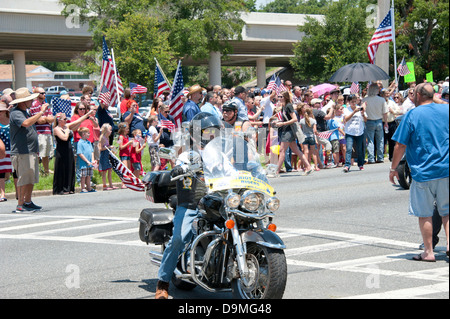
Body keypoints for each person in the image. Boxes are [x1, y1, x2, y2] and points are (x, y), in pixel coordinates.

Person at [155, 112, 223, 299]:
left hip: (218, 202)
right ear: (196, 133)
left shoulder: (221, 154)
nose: (212, 136)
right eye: (208, 131)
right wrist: (181, 167)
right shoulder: (188, 154)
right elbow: (181, 165)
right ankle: (163, 283)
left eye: (215, 132)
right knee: (180, 237)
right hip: (192, 203)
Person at [389, 82, 449, 262]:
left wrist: (393, 168)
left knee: (425, 214)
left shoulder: (412, 115)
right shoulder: (446, 111)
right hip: (446, 169)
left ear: (418, 96)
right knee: (447, 212)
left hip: (423, 172)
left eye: (413, 94)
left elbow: (400, 145)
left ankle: (429, 252)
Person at [9, 88, 47, 212]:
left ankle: (28, 201)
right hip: (22, 151)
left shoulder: (25, 112)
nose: (32, 101)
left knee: (31, 177)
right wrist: (41, 113)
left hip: (30, 150)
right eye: (29, 99)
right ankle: (20, 205)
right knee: (23, 178)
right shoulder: (16, 113)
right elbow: (25, 123)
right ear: (22, 102)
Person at [53, 110, 94, 195]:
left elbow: (78, 121)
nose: (66, 120)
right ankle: (61, 188)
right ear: (59, 120)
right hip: (61, 152)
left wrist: (87, 114)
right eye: (64, 119)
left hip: (69, 150)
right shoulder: (56, 129)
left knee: (70, 168)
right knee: (62, 169)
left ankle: (69, 187)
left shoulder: (66, 126)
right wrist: (67, 130)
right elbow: (64, 138)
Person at [274, 91, 312, 175]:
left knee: (282, 150)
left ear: (285, 97)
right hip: (287, 130)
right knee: (296, 150)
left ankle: (276, 171)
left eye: (281, 97)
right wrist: (279, 122)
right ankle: (308, 166)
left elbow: (294, 119)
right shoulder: (284, 106)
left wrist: (282, 123)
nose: (279, 98)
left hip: (289, 131)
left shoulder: (288, 106)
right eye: (279, 96)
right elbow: (287, 119)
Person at [30, 88, 54, 175]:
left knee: (46, 154)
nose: (44, 94)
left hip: (47, 132)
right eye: (42, 93)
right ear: (36, 94)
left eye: (45, 93)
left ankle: (46, 171)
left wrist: (46, 118)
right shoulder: (34, 105)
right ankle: (36, 172)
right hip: (39, 133)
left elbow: (51, 119)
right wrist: (45, 117)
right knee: (38, 153)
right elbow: (39, 120)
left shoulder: (45, 104)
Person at [362, 83, 388, 164]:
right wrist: (386, 122)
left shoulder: (365, 100)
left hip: (369, 121)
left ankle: (371, 158)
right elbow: (385, 112)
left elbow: (362, 111)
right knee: (380, 140)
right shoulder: (381, 100)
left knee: (370, 141)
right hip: (379, 120)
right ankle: (380, 157)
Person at [343, 94, 367, 172]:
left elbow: (366, 120)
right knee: (349, 149)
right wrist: (354, 112)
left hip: (359, 132)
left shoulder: (359, 108)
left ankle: (360, 164)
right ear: (349, 102)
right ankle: (347, 165)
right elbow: (346, 119)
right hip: (350, 132)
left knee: (359, 149)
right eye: (352, 102)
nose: (354, 103)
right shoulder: (346, 109)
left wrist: (363, 113)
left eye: (355, 101)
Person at [0, 102, 14, 202]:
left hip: (13, 148)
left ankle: (19, 194)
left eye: (1, 111)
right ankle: (2, 193)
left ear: (5, 111)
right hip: (1, 150)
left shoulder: (12, 121)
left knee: (15, 171)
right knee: (1, 172)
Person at [383, 90, 402, 162]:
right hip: (383, 123)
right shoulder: (382, 102)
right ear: (383, 95)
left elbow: (399, 111)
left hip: (391, 122)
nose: (387, 95)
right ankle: (381, 156)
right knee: (383, 140)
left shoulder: (392, 103)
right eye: (386, 94)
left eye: (388, 93)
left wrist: (393, 111)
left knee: (392, 140)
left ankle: (391, 156)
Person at [77, 127, 96, 193]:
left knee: (89, 175)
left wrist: (93, 160)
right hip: (83, 163)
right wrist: (87, 161)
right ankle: (83, 188)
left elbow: (92, 152)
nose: (89, 134)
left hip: (90, 163)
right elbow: (80, 153)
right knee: (83, 176)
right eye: (88, 133)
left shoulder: (89, 142)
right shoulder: (80, 142)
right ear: (83, 134)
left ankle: (88, 187)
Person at [98, 123, 117, 191]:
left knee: (110, 170)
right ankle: (104, 185)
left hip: (107, 154)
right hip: (103, 155)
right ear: (105, 130)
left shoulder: (107, 137)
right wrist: (108, 147)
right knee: (104, 171)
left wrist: (112, 150)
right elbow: (100, 148)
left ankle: (111, 184)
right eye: (110, 130)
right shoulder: (102, 137)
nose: (111, 131)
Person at [117, 122, 133, 188]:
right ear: (123, 129)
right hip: (123, 154)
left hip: (128, 153)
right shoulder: (121, 137)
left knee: (129, 169)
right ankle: (123, 183)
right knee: (125, 169)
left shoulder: (127, 136)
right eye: (126, 129)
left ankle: (128, 182)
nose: (128, 130)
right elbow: (120, 147)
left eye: (128, 129)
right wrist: (128, 143)